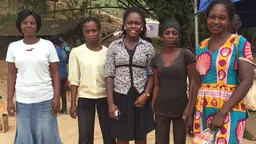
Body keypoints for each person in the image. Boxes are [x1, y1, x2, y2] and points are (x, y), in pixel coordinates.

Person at [186, 0, 254, 143]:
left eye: (221, 18)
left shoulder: (240, 43)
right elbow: (196, 83)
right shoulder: (201, 46)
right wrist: (190, 112)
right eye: (212, 17)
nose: (216, 21)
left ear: (229, 20)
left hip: (230, 110)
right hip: (202, 109)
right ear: (207, 18)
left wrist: (222, 113)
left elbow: (247, 80)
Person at [6, 10, 62, 144]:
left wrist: (56, 97)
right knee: (25, 138)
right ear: (20, 25)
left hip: (45, 99)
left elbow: (55, 73)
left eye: (32, 23)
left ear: (37, 26)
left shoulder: (47, 45)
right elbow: (11, 74)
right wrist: (9, 99)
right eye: (25, 23)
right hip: (23, 101)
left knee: (47, 136)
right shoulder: (13, 47)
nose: (29, 25)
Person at [105, 7, 155, 144]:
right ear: (125, 25)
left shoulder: (148, 47)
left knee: (141, 137)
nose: (133, 26)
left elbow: (152, 74)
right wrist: (110, 103)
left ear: (142, 26)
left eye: (137, 23)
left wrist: (146, 94)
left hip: (140, 98)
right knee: (122, 137)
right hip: (120, 97)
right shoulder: (114, 46)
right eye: (130, 23)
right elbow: (109, 75)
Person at [68, 17, 116, 144]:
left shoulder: (108, 52)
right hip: (85, 98)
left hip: (105, 98)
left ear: (99, 31)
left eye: (94, 30)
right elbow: (74, 80)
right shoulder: (77, 52)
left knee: (109, 135)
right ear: (83, 33)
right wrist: (73, 103)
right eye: (87, 31)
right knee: (85, 137)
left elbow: (111, 77)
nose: (91, 34)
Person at [150, 19, 195, 144]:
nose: (171, 36)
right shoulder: (156, 59)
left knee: (180, 141)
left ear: (179, 36)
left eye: (174, 33)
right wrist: (152, 105)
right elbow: (157, 85)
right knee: (160, 141)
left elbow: (192, 83)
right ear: (161, 36)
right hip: (161, 107)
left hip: (181, 107)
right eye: (167, 33)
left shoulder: (186, 55)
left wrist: (189, 108)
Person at [228, 13, 256, 141]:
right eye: (236, 20)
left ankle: (242, 130)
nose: (240, 22)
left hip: (238, 85)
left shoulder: (241, 41)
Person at [49, 36, 68, 114]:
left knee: (55, 91)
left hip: (57, 74)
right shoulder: (63, 50)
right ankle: (64, 108)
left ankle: (55, 107)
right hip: (64, 73)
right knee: (63, 92)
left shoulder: (55, 51)